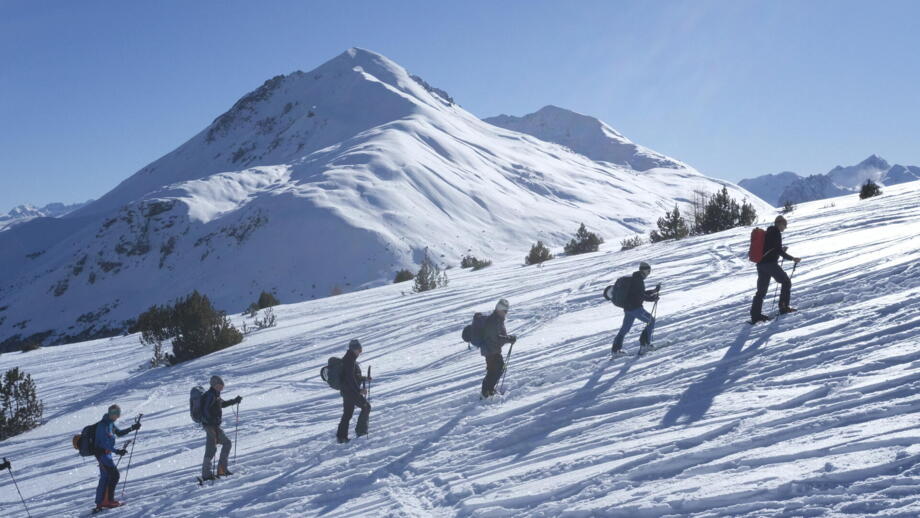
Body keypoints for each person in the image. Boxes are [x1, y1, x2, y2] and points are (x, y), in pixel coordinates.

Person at [750, 215, 802, 323]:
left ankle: (755, 315)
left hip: (761, 264)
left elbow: (771, 249)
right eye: (785, 225)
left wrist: (780, 250)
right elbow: (778, 250)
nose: (785, 227)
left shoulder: (768, 232)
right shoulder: (776, 232)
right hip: (770, 264)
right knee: (786, 282)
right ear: (780, 223)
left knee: (761, 291)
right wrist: (792, 258)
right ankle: (784, 307)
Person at [93, 404, 140, 510]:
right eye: (114, 413)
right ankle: (108, 501)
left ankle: (100, 502)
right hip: (102, 455)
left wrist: (132, 428)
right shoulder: (103, 425)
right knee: (114, 475)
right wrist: (117, 451)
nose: (117, 415)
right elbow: (104, 443)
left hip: (106, 454)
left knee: (106, 477)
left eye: (118, 413)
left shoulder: (110, 424)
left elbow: (119, 433)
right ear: (110, 413)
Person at [612, 262, 660, 355]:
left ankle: (615, 351)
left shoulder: (635, 278)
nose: (649, 273)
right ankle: (645, 345)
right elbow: (641, 296)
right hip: (635, 308)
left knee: (625, 329)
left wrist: (653, 291)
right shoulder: (638, 280)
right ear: (643, 270)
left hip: (628, 308)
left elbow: (640, 293)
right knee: (651, 321)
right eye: (648, 271)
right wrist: (653, 298)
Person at [201, 376, 242, 480]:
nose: (221, 387)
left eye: (222, 386)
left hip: (211, 425)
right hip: (211, 425)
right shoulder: (210, 395)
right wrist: (211, 420)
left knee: (211, 448)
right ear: (214, 385)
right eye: (220, 385)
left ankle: (207, 474)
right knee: (226, 443)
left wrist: (235, 401)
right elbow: (205, 410)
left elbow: (222, 404)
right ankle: (221, 470)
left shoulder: (215, 394)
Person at [480, 299, 517, 398]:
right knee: (495, 370)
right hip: (490, 350)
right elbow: (496, 338)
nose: (506, 313)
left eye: (506, 311)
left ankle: (488, 390)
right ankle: (486, 392)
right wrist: (509, 339)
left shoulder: (497, 319)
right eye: (505, 311)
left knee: (497, 369)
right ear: (499, 310)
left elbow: (498, 337)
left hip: (493, 350)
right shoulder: (494, 320)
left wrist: (508, 338)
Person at [337, 339, 370, 443]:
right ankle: (361, 431)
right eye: (359, 350)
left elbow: (354, 376)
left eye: (360, 349)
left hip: (347, 391)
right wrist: (359, 391)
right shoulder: (349, 360)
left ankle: (341, 436)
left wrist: (364, 378)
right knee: (366, 407)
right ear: (354, 349)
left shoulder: (349, 359)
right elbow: (350, 379)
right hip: (351, 392)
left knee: (347, 414)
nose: (360, 352)